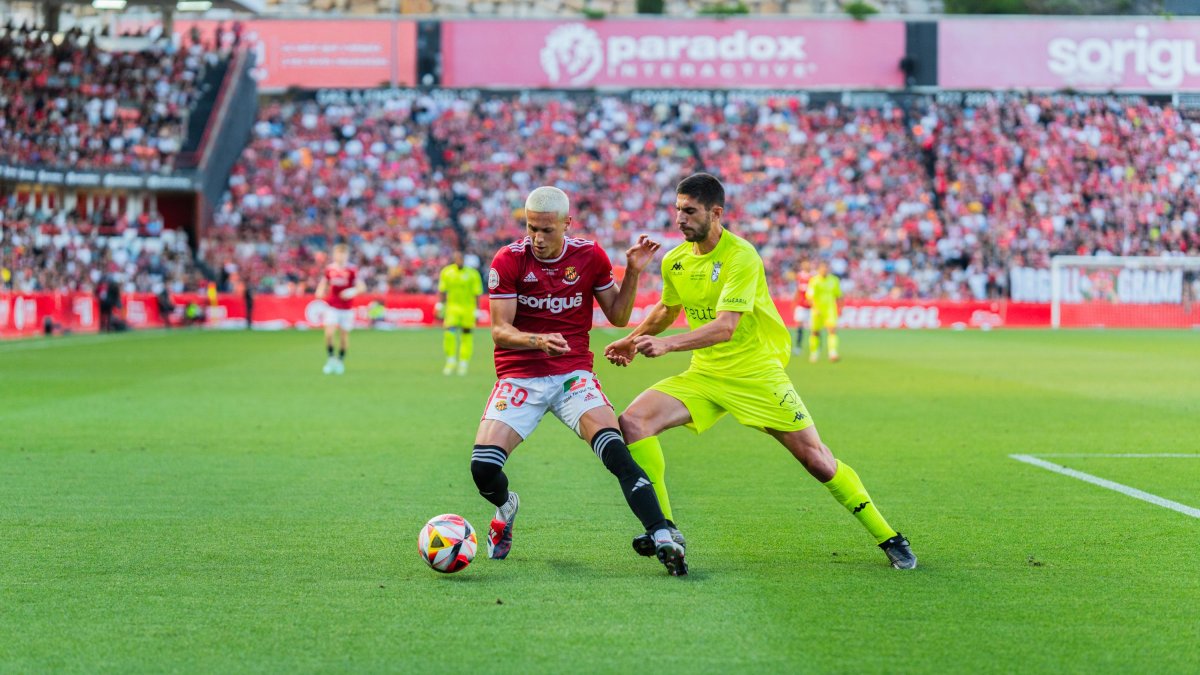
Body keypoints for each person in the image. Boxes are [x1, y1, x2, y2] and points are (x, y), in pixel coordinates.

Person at [605, 173, 916, 570]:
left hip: (756, 375)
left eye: (690, 211)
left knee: (818, 460)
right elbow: (668, 310)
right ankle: (665, 530)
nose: (680, 219)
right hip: (705, 374)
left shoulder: (741, 256)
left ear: (716, 213)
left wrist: (666, 345)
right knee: (633, 422)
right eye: (677, 210)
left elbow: (725, 327)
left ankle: (889, 537)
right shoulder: (675, 259)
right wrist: (633, 340)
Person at [471, 185, 687, 575]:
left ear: (567, 224)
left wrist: (633, 272)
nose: (537, 238)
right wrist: (536, 340)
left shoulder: (589, 255)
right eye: (531, 228)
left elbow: (619, 316)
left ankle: (662, 535)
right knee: (483, 468)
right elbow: (500, 330)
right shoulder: (508, 260)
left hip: (573, 375)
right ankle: (506, 507)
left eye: (547, 230)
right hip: (521, 376)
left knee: (616, 451)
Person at [315, 243, 366, 375]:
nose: (340, 256)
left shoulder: (352, 270)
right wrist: (319, 291)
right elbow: (323, 283)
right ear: (334, 255)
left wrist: (351, 291)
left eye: (343, 254)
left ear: (347, 255)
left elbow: (362, 287)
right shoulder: (330, 269)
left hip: (347, 309)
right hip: (332, 307)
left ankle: (340, 361)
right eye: (338, 253)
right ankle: (331, 358)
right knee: (329, 334)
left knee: (344, 337)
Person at [437, 250, 484, 376]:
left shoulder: (473, 274)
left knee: (466, 336)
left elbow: (477, 294)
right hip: (452, 309)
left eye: (461, 259)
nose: (459, 261)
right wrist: (439, 304)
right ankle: (450, 360)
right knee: (449, 334)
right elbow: (442, 290)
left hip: (468, 310)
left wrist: (477, 311)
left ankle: (463, 362)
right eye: (456, 259)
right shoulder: (447, 272)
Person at [807, 260, 842, 363]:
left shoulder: (834, 280)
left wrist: (840, 308)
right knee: (815, 332)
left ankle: (833, 353)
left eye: (826, 268)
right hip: (817, 310)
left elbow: (838, 295)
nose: (824, 270)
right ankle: (814, 353)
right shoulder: (814, 281)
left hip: (830, 310)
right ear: (819, 270)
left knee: (832, 330)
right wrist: (815, 308)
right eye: (822, 268)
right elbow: (810, 297)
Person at [793, 259, 813, 355]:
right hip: (801, 305)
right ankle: (798, 347)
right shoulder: (799, 276)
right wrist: (795, 301)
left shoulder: (813, 277)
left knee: (813, 329)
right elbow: (798, 290)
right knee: (799, 327)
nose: (806, 267)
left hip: (811, 307)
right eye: (804, 265)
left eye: (807, 265)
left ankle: (814, 348)